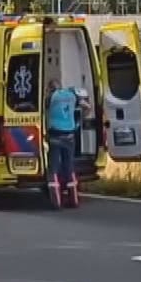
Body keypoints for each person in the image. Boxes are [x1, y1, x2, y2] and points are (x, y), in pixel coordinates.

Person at [45, 80, 91, 208]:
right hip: (70, 135)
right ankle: (73, 200)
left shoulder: (50, 98)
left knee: (53, 167)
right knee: (69, 165)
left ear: (50, 89)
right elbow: (87, 107)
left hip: (55, 135)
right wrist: (79, 121)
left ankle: (56, 202)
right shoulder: (71, 95)